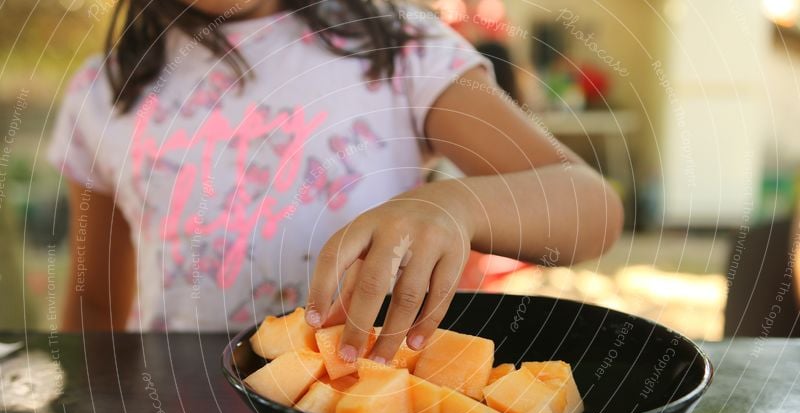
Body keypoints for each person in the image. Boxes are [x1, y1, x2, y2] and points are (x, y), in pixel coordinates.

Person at [50, 0, 622, 365]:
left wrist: (454, 206)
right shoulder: (107, 89)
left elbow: (590, 207)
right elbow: (94, 303)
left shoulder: (400, 46)